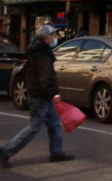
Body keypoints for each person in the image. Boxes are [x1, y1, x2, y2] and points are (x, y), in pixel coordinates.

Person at [0, 25, 74, 169]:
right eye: (53, 35)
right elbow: (45, 77)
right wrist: (54, 93)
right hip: (40, 96)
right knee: (34, 126)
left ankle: (56, 152)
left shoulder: (37, 52)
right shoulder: (42, 54)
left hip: (41, 94)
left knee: (54, 124)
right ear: (46, 37)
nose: (55, 38)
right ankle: (5, 151)